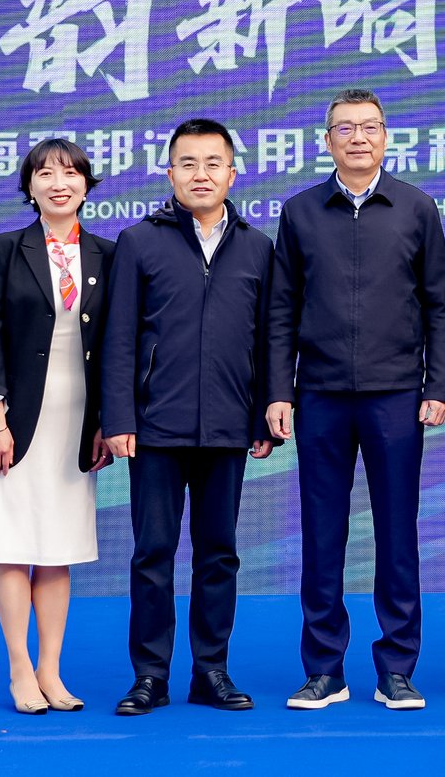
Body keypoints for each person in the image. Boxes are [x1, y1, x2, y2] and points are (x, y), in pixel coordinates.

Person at [267, 88, 445, 711]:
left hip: (396, 396)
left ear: (386, 137)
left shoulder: (416, 207)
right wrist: (279, 391)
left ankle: (397, 667)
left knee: (397, 535)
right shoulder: (300, 212)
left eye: (369, 127)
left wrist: (438, 386)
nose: (357, 138)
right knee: (322, 535)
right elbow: (281, 311)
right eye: (344, 128)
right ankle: (324, 669)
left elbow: (440, 306)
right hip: (319, 396)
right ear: (327, 141)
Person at [102, 119, 278, 716]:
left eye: (213, 163)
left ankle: (211, 671)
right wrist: (119, 418)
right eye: (188, 163)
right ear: (169, 172)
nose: (201, 175)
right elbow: (119, 338)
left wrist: (263, 416)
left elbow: (269, 340)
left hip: (228, 424)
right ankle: (150, 676)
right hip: (155, 427)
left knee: (219, 553)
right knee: (153, 553)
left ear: (233, 173)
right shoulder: (139, 241)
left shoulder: (257, 247)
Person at [0, 138, 114, 714]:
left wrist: (105, 422)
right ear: (29, 188)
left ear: (87, 186)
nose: (58, 183)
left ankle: (51, 670)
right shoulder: (6, 249)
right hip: (15, 422)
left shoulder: (106, 254)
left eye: (70, 173)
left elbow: (115, 346)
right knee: (12, 545)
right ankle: (20, 670)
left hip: (75, 421)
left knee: (57, 548)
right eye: (45, 174)